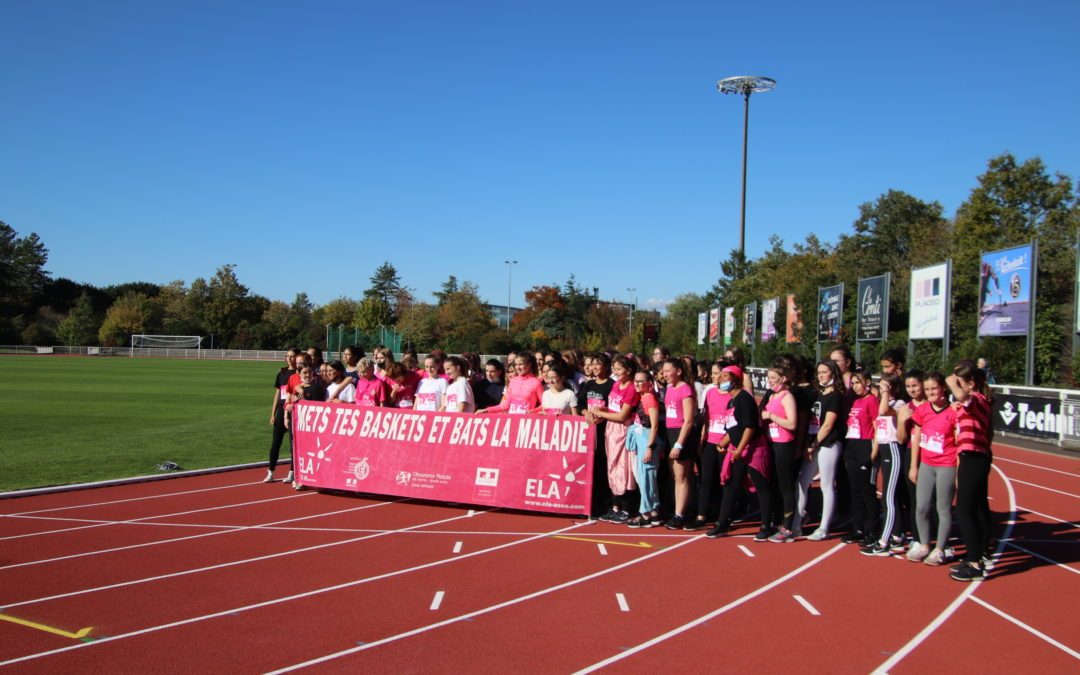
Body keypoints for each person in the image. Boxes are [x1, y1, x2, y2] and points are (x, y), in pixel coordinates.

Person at [706, 365, 773, 541]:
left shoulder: (744, 398)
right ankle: (722, 524)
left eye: (724, 377)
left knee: (761, 487)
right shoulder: (731, 401)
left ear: (735, 379)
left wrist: (741, 449)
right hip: (737, 450)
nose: (720, 380)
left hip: (753, 449)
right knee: (730, 486)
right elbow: (733, 427)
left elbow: (750, 427)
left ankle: (766, 525)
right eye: (719, 377)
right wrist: (723, 442)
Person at [947, 360, 994, 581]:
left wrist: (950, 383)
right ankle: (977, 554)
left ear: (971, 383)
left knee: (964, 510)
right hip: (970, 456)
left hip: (974, 457)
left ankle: (975, 563)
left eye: (959, 382)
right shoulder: (973, 402)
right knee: (973, 508)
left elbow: (965, 398)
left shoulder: (977, 399)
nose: (955, 387)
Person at [907, 372, 958, 566]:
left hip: (946, 464)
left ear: (943, 388)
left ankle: (940, 549)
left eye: (934, 388)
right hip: (926, 464)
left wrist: (958, 473)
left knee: (942, 508)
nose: (930, 392)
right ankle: (925, 545)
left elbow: (958, 441)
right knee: (921, 506)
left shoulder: (953, 411)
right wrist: (914, 466)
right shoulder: (923, 410)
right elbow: (916, 439)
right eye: (927, 389)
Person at [793, 360, 845, 540]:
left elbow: (828, 424)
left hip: (828, 444)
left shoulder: (836, 396)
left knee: (826, 485)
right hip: (813, 442)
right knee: (802, 481)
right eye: (819, 372)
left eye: (825, 372)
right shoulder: (818, 394)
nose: (821, 375)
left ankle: (824, 528)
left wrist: (814, 444)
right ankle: (796, 524)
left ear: (833, 374)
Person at [586, 355, 640, 524]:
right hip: (611, 430)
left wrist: (601, 413)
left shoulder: (631, 388)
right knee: (612, 467)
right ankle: (615, 506)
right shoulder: (616, 384)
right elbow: (613, 407)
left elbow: (623, 415)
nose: (615, 372)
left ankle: (626, 507)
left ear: (628, 371)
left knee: (624, 468)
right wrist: (601, 409)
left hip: (623, 429)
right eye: (615, 369)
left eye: (618, 369)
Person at [861, 373, 909, 556]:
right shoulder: (886, 403)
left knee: (888, 497)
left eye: (885, 387)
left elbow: (882, 412)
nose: (881, 390)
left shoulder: (898, 405)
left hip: (893, 449)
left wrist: (886, 392)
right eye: (880, 387)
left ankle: (884, 541)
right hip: (883, 449)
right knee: (891, 496)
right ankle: (897, 534)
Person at [685, 360, 730, 531]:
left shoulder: (733, 394)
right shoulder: (709, 392)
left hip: (726, 443)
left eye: (717, 373)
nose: (714, 376)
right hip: (710, 441)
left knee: (724, 480)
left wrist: (727, 441)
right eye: (712, 373)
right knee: (706, 480)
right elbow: (705, 418)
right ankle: (701, 515)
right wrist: (702, 438)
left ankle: (723, 515)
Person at [841, 370, 880, 546]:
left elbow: (877, 425)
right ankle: (858, 528)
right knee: (855, 490)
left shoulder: (872, 400)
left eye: (858, 382)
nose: (855, 386)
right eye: (853, 383)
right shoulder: (855, 401)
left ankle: (873, 531)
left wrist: (874, 452)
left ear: (867, 382)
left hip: (866, 446)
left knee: (867, 492)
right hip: (852, 447)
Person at [763, 364, 799, 542]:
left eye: (773, 378)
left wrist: (771, 416)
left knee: (786, 486)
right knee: (775, 484)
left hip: (784, 444)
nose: (770, 381)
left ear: (783, 379)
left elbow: (792, 424)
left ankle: (788, 526)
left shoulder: (787, 397)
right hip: (772, 443)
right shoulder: (772, 395)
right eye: (768, 378)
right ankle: (778, 521)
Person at [661, 358, 699, 530]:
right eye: (664, 371)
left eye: (668, 370)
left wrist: (679, 444)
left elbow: (689, 420)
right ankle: (681, 508)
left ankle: (680, 514)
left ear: (679, 371)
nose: (665, 374)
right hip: (670, 432)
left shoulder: (685, 389)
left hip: (681, 435)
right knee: (675, 476)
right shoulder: (669, 388)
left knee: (682, 477)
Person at [626, 369, 662, 527]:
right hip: (642, 439)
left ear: (649, 383)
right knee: (645, 478)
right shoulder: (644, 397)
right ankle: (653, 511)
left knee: (645, 478)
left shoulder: (649, 398)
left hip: (647, 440)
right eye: (636, 381)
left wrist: (649, 447)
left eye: (641, 381)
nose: (638, 383)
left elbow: (654, 426)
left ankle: (645, 513)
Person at [265, 349, 300, 483]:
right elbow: (278, 394)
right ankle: (271, 471)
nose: (290, 359)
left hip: (294, 410)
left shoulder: (300, 373)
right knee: (276, 443)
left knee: (293, 444)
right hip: (281, 409)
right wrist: (273, 413)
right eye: (288, 356)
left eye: (293, 356)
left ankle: (292, 472)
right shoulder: (282, 373)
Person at [477, 353, 544, 414]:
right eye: (516, 364)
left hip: (526, 422)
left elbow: (544, 405)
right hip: (512, 421)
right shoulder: (513, 381)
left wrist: (532, 411)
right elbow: (506, 404)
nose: (518, 367)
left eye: (520, 364)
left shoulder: (536, 383)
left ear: (529, 365)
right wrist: (487, 410)